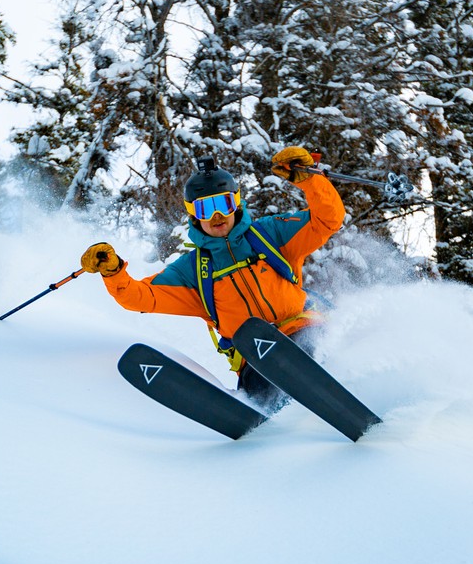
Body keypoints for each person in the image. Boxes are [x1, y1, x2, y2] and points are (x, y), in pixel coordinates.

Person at [80, 146, 346, 410]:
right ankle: (263, 415)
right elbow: (140, 298)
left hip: (303, 333)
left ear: (236, 203)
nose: (217, 216)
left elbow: (327, 219)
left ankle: (334, 390)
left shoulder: (269, 235)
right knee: (261, 386)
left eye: (224, 204)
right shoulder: (193, 270)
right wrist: (114, 271)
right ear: (193, 213)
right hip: (255, 360)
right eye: (206, 208)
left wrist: (311, 179)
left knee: (309, 352)